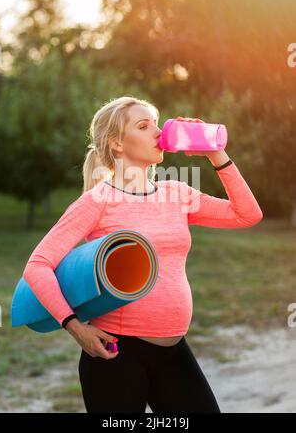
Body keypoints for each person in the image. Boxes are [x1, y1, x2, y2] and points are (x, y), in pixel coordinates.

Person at [22, 96, 263, 413]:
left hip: (174, 350)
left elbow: (247, 214)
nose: (158, 132)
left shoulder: (177, 193)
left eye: (157, 123)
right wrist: (75, 328)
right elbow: (38, 266)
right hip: (117, 354)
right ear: (117, 144)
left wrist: (215, 153)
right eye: (144, 125)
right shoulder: (98, 201)